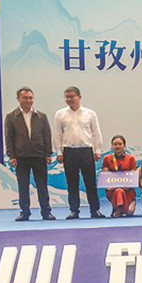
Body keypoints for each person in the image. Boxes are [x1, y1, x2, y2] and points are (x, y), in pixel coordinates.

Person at [52, 86, 105, 219]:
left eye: (72, 96)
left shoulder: (90, 113)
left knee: (90, 183)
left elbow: (96, 133)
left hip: (86, 150)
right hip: (69, 151)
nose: (69, 99)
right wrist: (59, 152)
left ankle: (95, 210)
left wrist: (98, 150)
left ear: (79, 97)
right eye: (67, 97)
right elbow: (57, 135)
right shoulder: (60, 114)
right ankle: (74, 210)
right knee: (72, 183)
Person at [4, 86, 55, 222]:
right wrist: (11, 156)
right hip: (21, 157)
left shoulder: (41, 116)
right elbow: (9, 138)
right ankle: (25, 213)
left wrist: (48, 154)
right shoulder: (11, 117)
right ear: (18, 99)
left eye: (30, 98)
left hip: (39, 156)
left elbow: (47, 136)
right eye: (25, 98)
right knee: (23, 186)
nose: (28, 100)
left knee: (42, 186)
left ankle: (46, 212)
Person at [101, 134, 137, 217]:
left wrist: (128, 185)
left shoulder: (131, 158)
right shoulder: (107, 158)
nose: (117, 146)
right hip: (113, 189)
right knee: (118, 191)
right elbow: (106, 175)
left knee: (130, 212)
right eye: (115, 144)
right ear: (112, 146)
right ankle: (118, 209)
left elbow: (133, 176)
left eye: (120, 144)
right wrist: (109, 185)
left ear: (124, 145)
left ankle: (118, 209)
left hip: (128, 189)